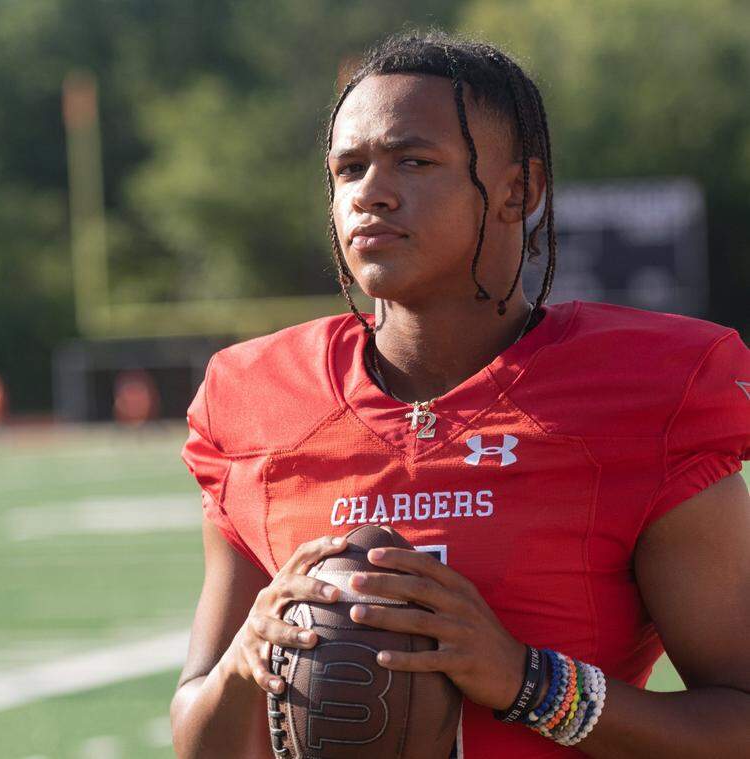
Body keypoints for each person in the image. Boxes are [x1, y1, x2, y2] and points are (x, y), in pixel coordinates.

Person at [171, 31, 750, 758]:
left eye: (413, 160)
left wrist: (527, 681)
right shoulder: (256, 397)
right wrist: (245, 659)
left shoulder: (648, 390)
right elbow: (202, 741)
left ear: (520, 189)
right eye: (348, 169)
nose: (370, 193)